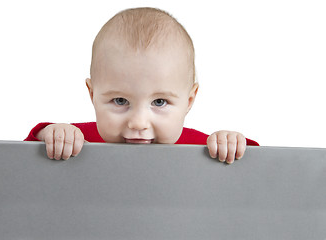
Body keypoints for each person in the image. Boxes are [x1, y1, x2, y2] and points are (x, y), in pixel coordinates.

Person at [25, 7, 259, 164]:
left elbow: (261, 165)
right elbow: (15, 164)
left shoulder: (202, 149)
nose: (138, 122)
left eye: (159, 102)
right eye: (120, 101)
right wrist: (53, 135)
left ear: (189, 101)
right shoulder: (80, 142)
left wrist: (232, 144)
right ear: (92, 94)